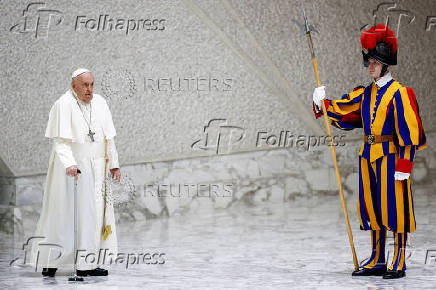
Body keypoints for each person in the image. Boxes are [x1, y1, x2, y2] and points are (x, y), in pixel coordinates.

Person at [312, 24, 426, 279]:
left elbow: (410, 134)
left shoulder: (401, 93)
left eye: (374, 62)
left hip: (392, 158)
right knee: (372, 206)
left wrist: (405, 167)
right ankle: (377, 257)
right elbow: (344, 110)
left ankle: (398, 258)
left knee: (394, 207)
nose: (370, 66)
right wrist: (322, 102)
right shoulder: (365, 93)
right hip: (368, 157)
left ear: (386, 64)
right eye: (370, 62)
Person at [30, 68, 121, 277]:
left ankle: (87, 264)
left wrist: (114, 163)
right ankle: (51, 261)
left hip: (97, 168)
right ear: (74, 86)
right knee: (64, 215)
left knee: (94, 217)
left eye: (92, 85)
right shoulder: (63, 104)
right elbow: (60, 142)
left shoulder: (100, 102)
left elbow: (109, 137)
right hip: (72, 169)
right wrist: (70, 164)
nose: (89, 90)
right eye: (84, 85)